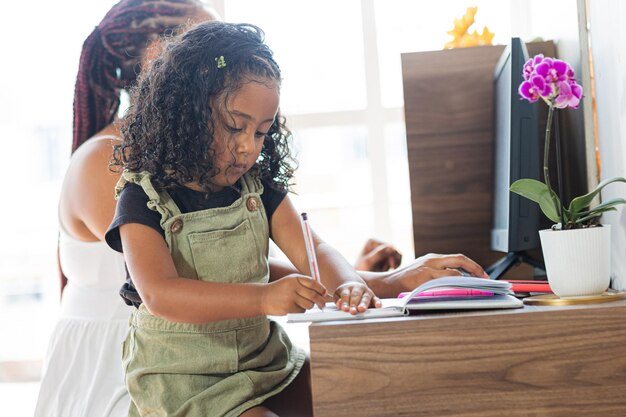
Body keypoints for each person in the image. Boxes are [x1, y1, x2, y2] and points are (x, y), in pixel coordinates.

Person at [34, 2, 218, 417]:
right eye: (213, 54)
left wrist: (341, 275)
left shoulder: (187, 154)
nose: (228, 69)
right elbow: (196, 266)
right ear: (156, 56)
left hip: (174, 359)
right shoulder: (102, 162)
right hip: (115, 374)